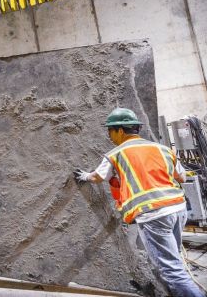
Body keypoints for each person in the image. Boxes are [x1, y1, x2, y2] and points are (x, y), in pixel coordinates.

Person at [74, 108, 204, 297]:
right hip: (178, 209)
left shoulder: (116, 153)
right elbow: (182, 177)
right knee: (173, 258)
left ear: (120, 130)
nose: (109, 136)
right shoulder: (162, 149)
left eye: (110, 131)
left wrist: (84, 176)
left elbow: (97, 177)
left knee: (172, 271)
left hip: (154, 214)